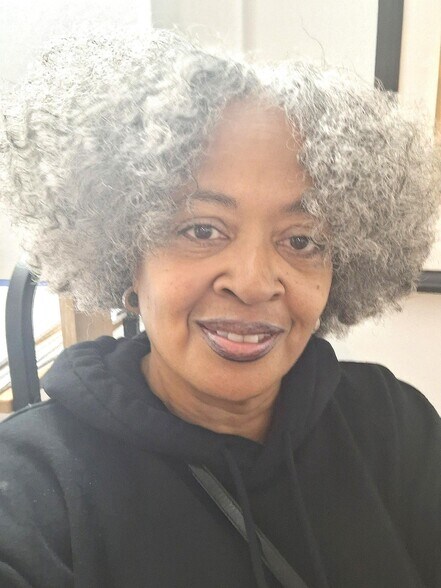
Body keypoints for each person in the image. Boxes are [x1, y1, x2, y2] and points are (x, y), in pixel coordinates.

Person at [0, 29, 440, 588]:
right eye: (202, 230)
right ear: (127, 255)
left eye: (301, 240)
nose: (253, 283)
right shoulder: (33, 486)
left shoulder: (394, 427)